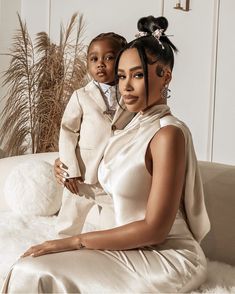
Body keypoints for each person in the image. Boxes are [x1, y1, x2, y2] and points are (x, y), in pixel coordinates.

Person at [1, 15, 210, 293]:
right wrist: (63, 165)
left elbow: (156, 229)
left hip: (164, 255)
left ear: (166, 76)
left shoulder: (168, 134)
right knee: (28, 268)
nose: (125, 86)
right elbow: (100, 164)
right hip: (122, 245)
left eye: (137, 75)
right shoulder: (129, 128)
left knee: (35, 273)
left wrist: (74, 242)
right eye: (121, 76)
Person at [55, 32, 133, 236]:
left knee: (112, 228)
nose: (100, 64)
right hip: (81, 178)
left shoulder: (131, 96)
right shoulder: (81, 96)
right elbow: (67, 132)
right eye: (94, 58)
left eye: (109, 57)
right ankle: (59, 257)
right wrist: (70, 170)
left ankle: (103, 260)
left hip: (113, 179)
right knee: (68, 225)